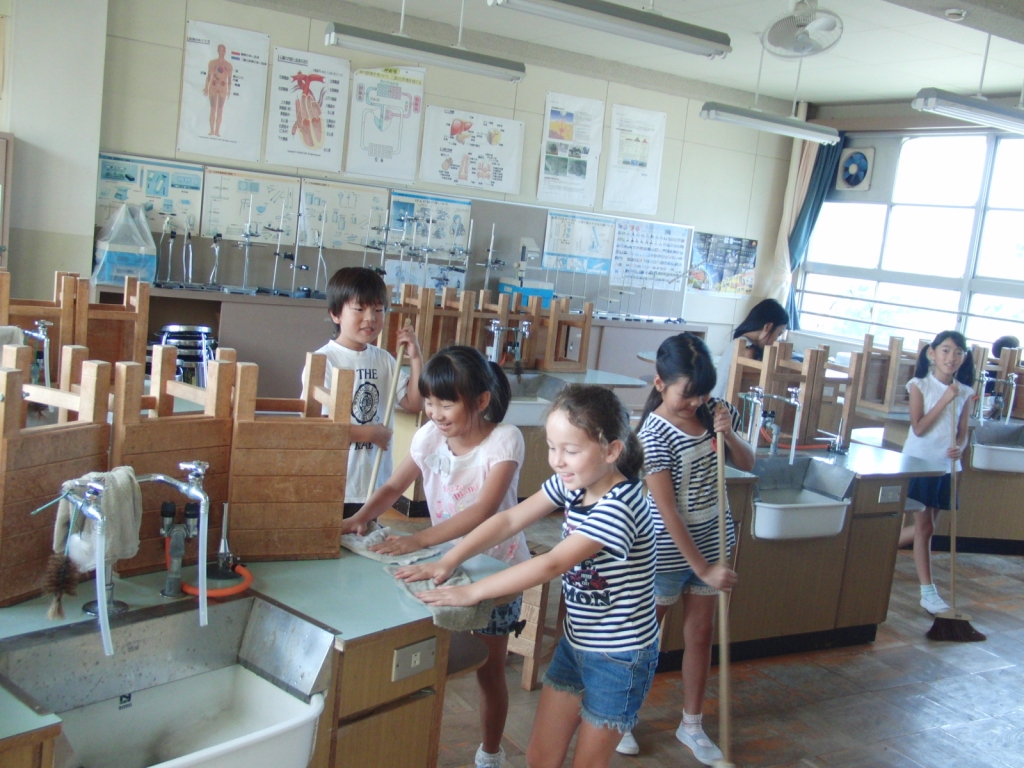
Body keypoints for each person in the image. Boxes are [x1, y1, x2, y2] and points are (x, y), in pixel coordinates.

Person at [395, 385, 658, 768]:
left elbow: (551, 564)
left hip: (620, 656)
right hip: (577, 643)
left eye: (571, 451)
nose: (558, 461)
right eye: (552, 447)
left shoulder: (621, 505)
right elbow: (509, 519)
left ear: (611, 450)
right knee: (540, 757)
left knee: (588, 763)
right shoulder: (575, 484)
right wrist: (448, 560)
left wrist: (473, 592)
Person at [340, 345, 528, 768]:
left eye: (447, 403)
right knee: (429, 652)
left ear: (481, 400)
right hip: (445, 562)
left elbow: (483, 511)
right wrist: (358, 518)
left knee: (489, 669)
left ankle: (491, 752)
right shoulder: (429, 436)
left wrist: (419, 539)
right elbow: (393, 487)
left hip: (498, 568)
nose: (435, 413)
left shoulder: (504, 439)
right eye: (429, 401)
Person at [617, 333, 754, 763]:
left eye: (703, 394)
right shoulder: (653, 435)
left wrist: (729, 434)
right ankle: (622, 717)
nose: (695, 402)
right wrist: (703, 568)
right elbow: (668, 511)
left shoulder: (713, 413)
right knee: (645, 639)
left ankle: (691, 724)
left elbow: (747, 463)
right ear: (660, 384)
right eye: (686, 394)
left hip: (714, 542)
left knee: (700, 635)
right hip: (666, 552)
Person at [302, 267, 422, 515]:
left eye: (378, 310)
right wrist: (370, 433)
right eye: (359, 309)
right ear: (335, 314)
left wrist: (416, 358)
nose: (370, 318)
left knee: (365, 534)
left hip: (374, 484)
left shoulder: (385, 360)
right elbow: (317, 427)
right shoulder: (324, 360)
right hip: (334, 482)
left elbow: (414, 403)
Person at [897, 331, 975, 616]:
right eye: (945, 350)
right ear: (932, 353)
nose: (951, 357)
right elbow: (919, 428)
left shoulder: (965, 392)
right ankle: (927, 592)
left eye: (958, 352)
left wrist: (959, 449)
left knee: (926, 528)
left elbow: (963, 433)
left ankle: (875, 546)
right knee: (924, 528)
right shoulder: (919, 385)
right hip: (920, 464)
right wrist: (945, 399)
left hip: (946, 466)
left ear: (963, 357)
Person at [710, 298, 789, 400]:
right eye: (778, 334)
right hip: (723, 405)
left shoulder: (739, 341)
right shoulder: (747, 349)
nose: (777, 340)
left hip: (717, 402)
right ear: (768, 327)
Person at [203, 44, 232, 137]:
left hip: (223, 87)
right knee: (212, 109)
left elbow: (229, 79)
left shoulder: (228, 65)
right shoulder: (212, 63)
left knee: (220, 109)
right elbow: (209, 76)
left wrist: (229, 91)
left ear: (225, 51)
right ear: (217, 51)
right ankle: (212, 130)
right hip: (213, 85)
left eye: (223, 50)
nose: (221, 52)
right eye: (220, 50)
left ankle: (217, 131)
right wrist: (206, 87)